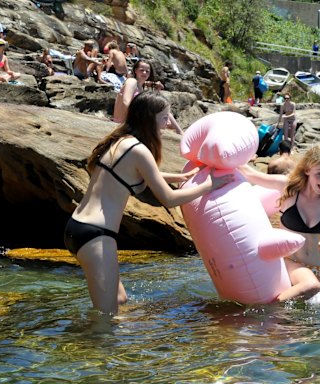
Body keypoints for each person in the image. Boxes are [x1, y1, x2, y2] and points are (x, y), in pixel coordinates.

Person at [64, 92, 233, 315]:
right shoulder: (140, 151)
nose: (168, 122)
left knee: (120, 299)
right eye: (165, 116)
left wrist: (180, 177)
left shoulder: (120, 140)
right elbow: (169, 200)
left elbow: (134, 173)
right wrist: (209, 185)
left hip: (79, 228)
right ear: (149, 118)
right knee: (105, 318)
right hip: (96, 235)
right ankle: (89, 348)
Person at [238, 144, 320, 304]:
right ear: (307, 171)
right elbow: (250, 174)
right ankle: (266, 311)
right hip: (290, 264)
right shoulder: (288, 188)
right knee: (310, 286)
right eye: (319, 173)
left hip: (317, 271)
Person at [112, 59, 182, 134]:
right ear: (135, 70)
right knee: (162, 112)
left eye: (147, 71)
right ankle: (180, 133)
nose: (144, 73)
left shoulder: (140, 87)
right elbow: (126, 102)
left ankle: (179, 132)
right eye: (142, 70)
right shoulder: (131, 82)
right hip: (124, 122)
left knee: (163, 110)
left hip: (131, 121)